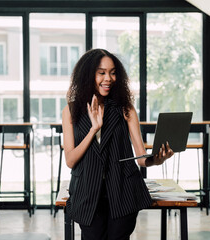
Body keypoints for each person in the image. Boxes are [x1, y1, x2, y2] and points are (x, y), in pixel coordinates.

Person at [62, 48, 174, 240]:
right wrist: (93, 130)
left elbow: (141, 157)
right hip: (88, 193)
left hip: (123, 191)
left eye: (113, 72)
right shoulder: (71, 111)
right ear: (89, 75)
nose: (109, 78)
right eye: (102, 73)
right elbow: (71, 160)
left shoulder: (125, 108)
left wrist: (157, 160)